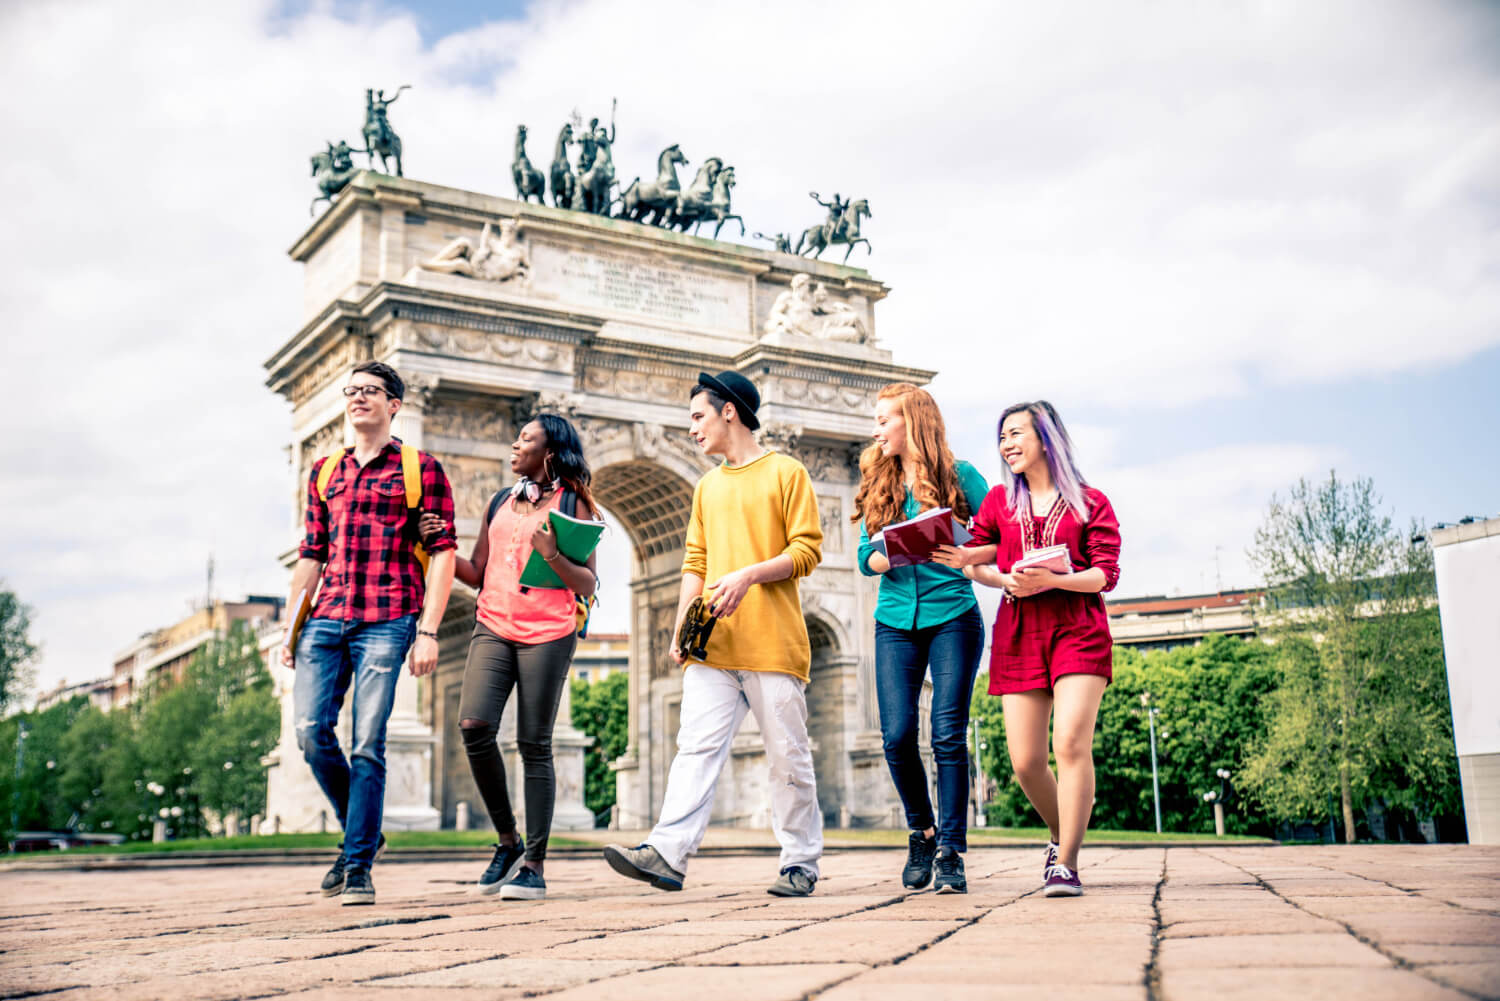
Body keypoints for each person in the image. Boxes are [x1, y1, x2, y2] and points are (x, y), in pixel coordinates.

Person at [603, 371, 825, 896]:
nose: (693, 430)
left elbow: (807, 551)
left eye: (698, 417)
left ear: (730, 411)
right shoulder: (707, 486)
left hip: (773, 642)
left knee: (787, 757)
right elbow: (695, 562)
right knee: (695, 748)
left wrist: (748, 574)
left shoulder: (786, 472)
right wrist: (681, 627)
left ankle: (800, 860)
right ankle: (668, 852)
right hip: (714, 646)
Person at [282, 361, 457, 906]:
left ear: (394, 404)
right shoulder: (322, 470)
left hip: (388, 617)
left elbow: (445, 551)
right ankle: (366, 831)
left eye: (371, 391)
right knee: (311, 733)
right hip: (326, 616)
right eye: (352, 391)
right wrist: (288, 630)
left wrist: (428, 631)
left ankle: (358, 865)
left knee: (368, 743)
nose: (358, 399)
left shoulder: (421, 468)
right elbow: (311, 554)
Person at [934, 400, 1121, 897]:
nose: (1007, 445)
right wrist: (1005, 578)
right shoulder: (998, 502)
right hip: (1019, 632)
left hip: (1078, 628)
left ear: (1046, 438)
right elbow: (974, 562)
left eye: (1016, 433)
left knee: (1070, 745)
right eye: (1002, 437)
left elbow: (1105, 574)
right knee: (1025, 761)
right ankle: (1060, 834)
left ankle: (1066, 864)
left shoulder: (1090, 501)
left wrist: (1055, 579)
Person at [420, 414, 599, 901]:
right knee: (474, 726)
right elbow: (477, 572)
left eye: (525, 439)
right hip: (493, 626)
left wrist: (554, 555)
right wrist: (436, 545)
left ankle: (535, 865)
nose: (514, 445)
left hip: (549, 632)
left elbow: (588, 582)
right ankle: (508, 841)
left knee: (534, 744)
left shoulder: (573, 501)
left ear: (550, 451)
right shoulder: (501, 500)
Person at [855, 384, 989, 894]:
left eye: (883, 419)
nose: (875, 429)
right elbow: (866, 556)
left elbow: (997, 536)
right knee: (895, 736)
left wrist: (968, 553)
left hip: (953, 614)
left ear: (912, 422)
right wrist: (892, 552)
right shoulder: (876, 478)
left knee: (948, 735)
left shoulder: (961, 477)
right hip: (894, 621)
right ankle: (923, 830)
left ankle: (952, 850)